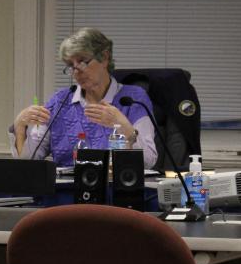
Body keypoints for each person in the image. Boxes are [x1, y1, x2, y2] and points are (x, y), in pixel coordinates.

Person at [9, 27, 157, 168]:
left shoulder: (132, 99)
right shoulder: (60, 101)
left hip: (113, 189)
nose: (76, 71)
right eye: (71, 65)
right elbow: (29, 162)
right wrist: (20, 125)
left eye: (82, 62)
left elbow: (149, 160)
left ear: (104, 58)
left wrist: (125, 128)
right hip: (64, 190)